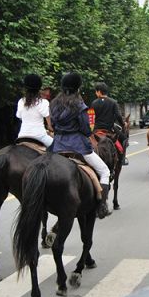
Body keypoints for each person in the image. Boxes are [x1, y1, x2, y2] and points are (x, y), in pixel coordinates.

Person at [50, 72, 111, 219]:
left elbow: (53, 125)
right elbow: (85, 130)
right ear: (78, 88)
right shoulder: (80, 105)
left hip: (57, 146)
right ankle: (101, 206)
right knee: (104, 171)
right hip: (78, 146)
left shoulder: (54, 104)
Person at [91, 82, 129, 166]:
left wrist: (91, 130)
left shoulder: (93, 103)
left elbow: (91, 118)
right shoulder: (113, 102)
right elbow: (118, 116)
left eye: (96, 91)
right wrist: (123, 124)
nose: (95, 93)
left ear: (99, 92)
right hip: (109, 129)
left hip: (96, 130)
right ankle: (123, 158)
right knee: (124, 138)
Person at [16, 74, 54, 147]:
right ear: (39, 88)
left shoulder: (21, 101)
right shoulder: (43, 102)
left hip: (22, 137)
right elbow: (50, 126)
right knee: (57, 148)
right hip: (40, 137)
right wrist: (50, 130)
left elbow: (19, 117)